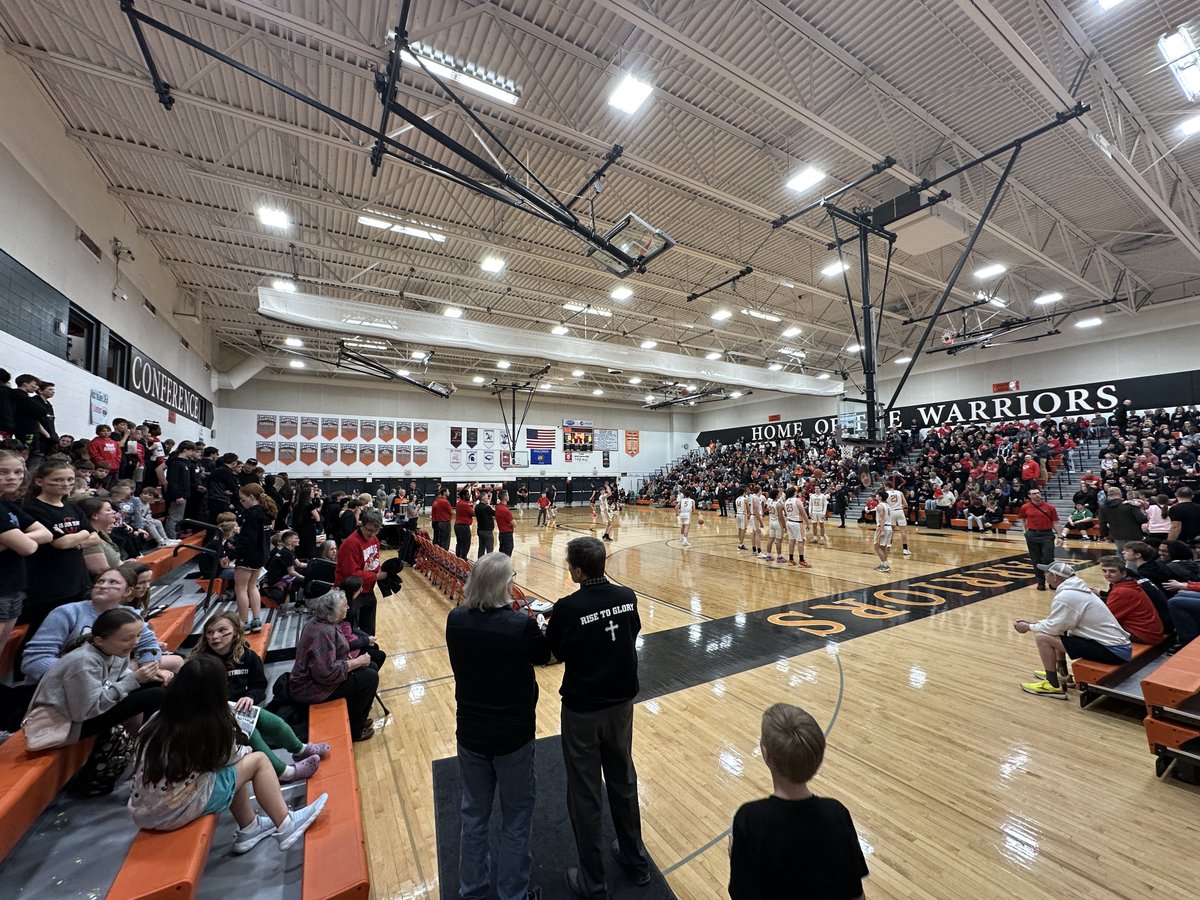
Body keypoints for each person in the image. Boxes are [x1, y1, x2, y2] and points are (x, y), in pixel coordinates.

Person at [128, 655, 328, 851]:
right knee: (257, 760)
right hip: (174, 810)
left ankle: (250, 827)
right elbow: (232, 755)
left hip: (144, 810)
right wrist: (246, 750)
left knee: (231, 771)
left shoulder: (158, 718)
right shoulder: (207, 724)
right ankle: (286, 824)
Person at [545, 537, 650, 897]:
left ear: (577, 570)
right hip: (621, 705)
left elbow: (553, 652)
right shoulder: (627, 597)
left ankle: (594, 882)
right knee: (623, 780)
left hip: (583, 710)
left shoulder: (567, 608)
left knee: (585, 794)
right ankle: (636, 862)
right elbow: (631, 632)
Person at [446, 552, 551, 900]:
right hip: (513, 734)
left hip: (471, 731)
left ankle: (472, 889)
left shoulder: (455, 620)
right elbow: (544, 655)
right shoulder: (519, 625)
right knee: (517, 818)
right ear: (505, 585)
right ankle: (513, 893)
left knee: (473, 814)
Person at [728, 703, 868, 900]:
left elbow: (742, 894)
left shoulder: (750, 820)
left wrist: (736, 855)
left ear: (765, 754)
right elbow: (856, 893)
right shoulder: (836, 813)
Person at [191, 613, 329, 783]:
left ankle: (301, 750)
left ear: (235, 631)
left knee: (275, 722)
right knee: (252, 734)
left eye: (222, 630)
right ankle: (284, 773)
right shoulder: (200, 663)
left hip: (239, 710)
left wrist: (250, 696)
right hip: (211, 716)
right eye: (210, 632)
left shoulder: (248, 656)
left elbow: (259, 686)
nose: (215, 636)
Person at [23, 608, 168, 747]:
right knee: (155, 695)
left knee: (160, 684)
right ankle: (151, 751)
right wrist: (134, 680)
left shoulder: (115, 650)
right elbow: (87, 710)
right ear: (99, 640)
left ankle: (161, 744)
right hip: (65, 723)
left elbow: (116, 679)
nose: (136, 642)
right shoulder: (83, 662)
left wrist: (149, 676)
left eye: (138, 635)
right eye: (127, 638)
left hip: (87, 709)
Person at [21, 565, 185, 682]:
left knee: (162, 682)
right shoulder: (66, 613)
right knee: (150, 693)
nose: (102, 586)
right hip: (63, 685)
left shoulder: (130, 614)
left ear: (127, 591)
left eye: (113, 583)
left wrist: (149, 668)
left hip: (107, 681)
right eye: (100, 581)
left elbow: (150, 646)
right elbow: (34, 662)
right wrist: (94, 672)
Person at [1013, 561, 1133, 699]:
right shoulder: (1077, 589)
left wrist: (1028, 627)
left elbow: (1054, 626)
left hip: (1114, 651)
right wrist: (1034, 623)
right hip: (1118, 647)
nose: (1044, 575)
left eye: (1046, 573)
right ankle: (1063, 675)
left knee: (1043, 638)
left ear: (1054, 577)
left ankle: (1052, 685)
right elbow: (1060, 623)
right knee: (1057, 632)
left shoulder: (1067, 596)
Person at [288, 588, 379, 741]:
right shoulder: (324, 632)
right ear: (334, 611)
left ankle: (355, 717)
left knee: (371, 668)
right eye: (345, 606)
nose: (348, 608)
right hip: (310, 688)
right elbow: (326, 673)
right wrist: (356, 662)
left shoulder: (322, 622)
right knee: (370, 677)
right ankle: (354, 730)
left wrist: (355, 662)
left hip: (317, 678)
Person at [21, 458, 100, 634]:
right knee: (46, 633)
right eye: (58, 480)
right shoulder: (32, 509)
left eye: (70, 480)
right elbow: (60, 543)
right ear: (39, 481)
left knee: (76, 631)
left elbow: (94, 536)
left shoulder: (72, 507)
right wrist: (82, 534)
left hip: (78, 580)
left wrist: (76, 539)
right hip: (49, 585)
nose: (66, 484)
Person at [0, 450, 52, 653]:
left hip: (13, 586)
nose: (12, 477)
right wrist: (19, 541)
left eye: (17, 472)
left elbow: (46, 534)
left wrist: (13, 540)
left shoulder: (6, 505)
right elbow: (28, 547)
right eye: (3, 472)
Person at [234, 484, 277, 634]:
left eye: (243, 499)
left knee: (241, 589)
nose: (241, 502)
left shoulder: (252, 514)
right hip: (262, 554)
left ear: (251, 497)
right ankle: (257, 620)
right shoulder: (266, 513)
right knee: (252, 587)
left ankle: (244, 622)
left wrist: (234, 552)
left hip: (249, 554)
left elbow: (248, 540)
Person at [1097, 556, 1166, 645]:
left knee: (1091, 630)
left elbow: (1106, 618)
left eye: (1112, 571)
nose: (1107, 574)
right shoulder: (1130, 584)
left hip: (1144, 635)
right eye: (1104, 571)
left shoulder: (1121, 591)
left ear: (1123, 574)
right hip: (1151, 632)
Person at [334, 509, 382, 635]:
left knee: (369, 630)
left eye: (376, 531)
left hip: (367, 589)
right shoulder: (351, 544)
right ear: (361, 525)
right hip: (351, 593)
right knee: (351, 631)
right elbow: (352, 574)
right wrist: (376, 576)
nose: (372, 534)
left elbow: (374, 561)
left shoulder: (375, 539)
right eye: (369, 530)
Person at [1017, 488, 1064, 591]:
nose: (1037, 495)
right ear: (1029, 496)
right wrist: (1025, 531)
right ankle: (1040, 582)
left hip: (1047, 534)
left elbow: (1056, 522)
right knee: (1036, 559)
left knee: (1049, 559)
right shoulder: (1025, 507)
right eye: (1034, 493)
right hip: (1032, 534)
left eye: (1038, 493)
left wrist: (1060, 536)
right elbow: (1022, 519)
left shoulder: (1049, 507)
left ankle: (1052, 581)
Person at [78, 497, 124, 574]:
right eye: (109, 510)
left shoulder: (101, 533)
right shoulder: (90, 540)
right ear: (95, 515)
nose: (114, 512)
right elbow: (102, 572)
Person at [1098, 487, 1148, 558]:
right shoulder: (1129, 505)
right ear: (1120, 494)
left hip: (1117, 534)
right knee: (1135, 554)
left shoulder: (1103, 507)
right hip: (1134, 534)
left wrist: (1104, 534)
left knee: (1121, 552)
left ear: (1108, 495)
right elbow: (1142, 519)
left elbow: (1102, 522)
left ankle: (1122, 568)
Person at [163, 441, 196, 540]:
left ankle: (173, 536)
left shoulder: (185, 462)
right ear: (185, 450)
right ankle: (170, 538)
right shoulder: (176, 462)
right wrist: (178, 495)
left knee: (178, 518)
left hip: (184, 494)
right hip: (178, 495)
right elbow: (173, 480)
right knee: (174, 518)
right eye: (191, 451)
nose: (192, 453)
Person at [265, 530, 307, 606]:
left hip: (283, 576)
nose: (298, 540)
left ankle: (296, 600)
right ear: (289, 541)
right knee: (304, 581)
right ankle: (298, 602)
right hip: (277, 580)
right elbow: (291, 572)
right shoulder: (286, 553)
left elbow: (299, 564)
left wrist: (312, 564)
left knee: (305, 573)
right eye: (296, 538)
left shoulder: (289, 550)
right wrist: (301, 577)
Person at [784, 486, 812, 568]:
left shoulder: (786, 501)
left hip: (789, 522)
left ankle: (791, 559)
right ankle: (801, 560)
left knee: (791, 541)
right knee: (801, 541)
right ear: (794, 493)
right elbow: (803, 513)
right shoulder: (797, 500)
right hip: (797, 523)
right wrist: (807, 523)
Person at [883, 481, 911, 557]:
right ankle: (905, 549)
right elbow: (905, 504)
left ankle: (888, 545)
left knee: (891, 530)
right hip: (899, 512)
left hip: (891, 512)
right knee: (903, 532)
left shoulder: (885, 493)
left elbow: (884, 505)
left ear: (886, 486)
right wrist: (899, 508)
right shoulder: (899, 492)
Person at [872, 488, 893, 573]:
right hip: (889, 527)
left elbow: (881, 519)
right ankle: (883, 564)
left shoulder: (880, 506)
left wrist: (882, 530)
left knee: (876, 546)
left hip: (883, 527)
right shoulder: (887, 505)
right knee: (883, 547)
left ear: (880, 497)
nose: (875, 496)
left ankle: (885, 564)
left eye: (877, 495)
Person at [431, 487, 453, 551]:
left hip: (439, 522)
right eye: (448, 491)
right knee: (444, 541)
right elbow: (451, 511)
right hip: (443, 522)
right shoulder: (444, 502)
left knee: (440, 539)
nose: (449, 493)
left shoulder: (438, 502)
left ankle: (438, 552)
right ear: (444, 493)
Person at [475, 490, 496, 557]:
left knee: (481, 548)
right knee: (489, 550)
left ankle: (480, 563)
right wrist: (489, 505)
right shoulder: (487, 507)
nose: (488, 499)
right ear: (484, 499)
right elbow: (495, 513)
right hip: (487, 531)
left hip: (480, 530)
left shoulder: (477, 507)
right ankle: (488, 565)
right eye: (487, 498)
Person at [455, 489, 475, 559]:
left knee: (459, 543)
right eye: (467, 494)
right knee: (466, 543)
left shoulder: (458, 503)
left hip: (457, 526)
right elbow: (473, 513)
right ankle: (463, 558)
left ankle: (457, 558)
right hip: (463, 527)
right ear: (463, 496)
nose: (469, 496)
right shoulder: (465, 504)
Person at [495, 490, 515, 557]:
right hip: (507, 535)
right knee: (507, 555)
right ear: (505, 497)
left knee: (502, 554)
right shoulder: (505, 510)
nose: (509, 496)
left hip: (501, 534)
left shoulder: (498, 507)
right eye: (508, 495)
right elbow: (514, 524)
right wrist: (510, 523)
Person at [735, 485, 749, 551]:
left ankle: (741, 543)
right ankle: (740, 545)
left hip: (738, 514)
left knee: (740, 530)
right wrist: (749, 514)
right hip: (743, 515)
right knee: (743, 530)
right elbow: (748, 508)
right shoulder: (745, 499)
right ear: (743, 492)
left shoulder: (736, 499)